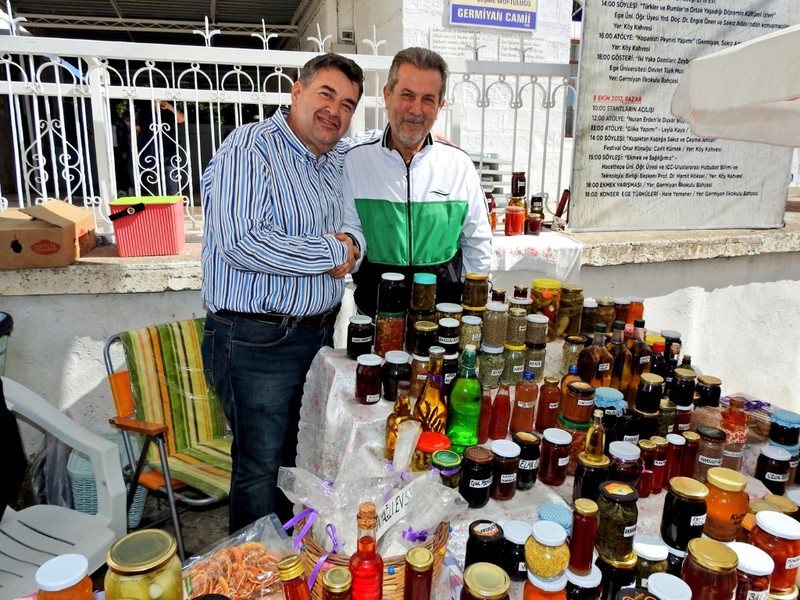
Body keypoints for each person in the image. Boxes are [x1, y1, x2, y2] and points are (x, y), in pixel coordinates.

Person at [200, 53, 366, 533]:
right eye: (326, 94)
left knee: (299, 459)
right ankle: (256, 566)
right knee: (260, 468)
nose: (335, 111)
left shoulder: (336, 160)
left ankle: (289, 556)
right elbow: (241, 242)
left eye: (348, 105)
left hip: (317, 337)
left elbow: (353, 225)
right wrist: (330, 252)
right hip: (257, 340)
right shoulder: (250, 147)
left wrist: (353, 246)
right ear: (297, 91)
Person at [343, 48, 492, 316]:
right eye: (407, 95)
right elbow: (351, 230)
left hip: (444, 318)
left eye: (428, 99)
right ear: (387, 95)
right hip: (376, 317)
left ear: (440, 106)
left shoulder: (459, 165)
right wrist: (349, 252)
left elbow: (477, 241)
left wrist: (473, 308)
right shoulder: (356, 162)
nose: (416, 110)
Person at [134, 99, 186, 196]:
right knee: (154, 180)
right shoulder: (145, 110)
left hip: (168, 150)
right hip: (150, 152)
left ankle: (174, 201)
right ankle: (157, 203)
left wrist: (169, 107)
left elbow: (182, 119)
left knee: (171, 177)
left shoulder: (167, 109)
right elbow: (137, 128)